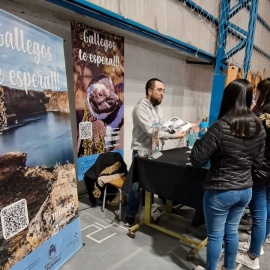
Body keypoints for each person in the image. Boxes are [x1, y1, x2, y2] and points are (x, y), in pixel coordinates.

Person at [190, 79, 266, 270]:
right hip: (245, 190)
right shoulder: (258, 127)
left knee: (215, 235)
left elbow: (196, 159)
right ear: (250, 98)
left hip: (220, 190)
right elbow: (257, 163)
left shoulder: (221, 126)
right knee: (231, 231)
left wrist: (200, 135)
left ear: (228, 98)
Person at [124, 78, 187, 226]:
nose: (162, 94)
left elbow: (160, 128)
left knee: (153, 182)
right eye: (159, 90)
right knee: (136, 187)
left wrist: (175, 128)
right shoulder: (140, 109)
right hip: (141, 153)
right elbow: (152, 131)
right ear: (149, 91)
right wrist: (173, 135)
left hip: (155, 151)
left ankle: (148, 210)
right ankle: (130, 215)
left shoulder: (158, 108)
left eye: (163, 90)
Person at [236, 78, 270, 270]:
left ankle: (252, 255)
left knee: (258, 214)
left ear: (262, 93)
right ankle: (259, 245)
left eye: (257, 91)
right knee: (267, 209)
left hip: (260, 170)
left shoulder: (259, 114)